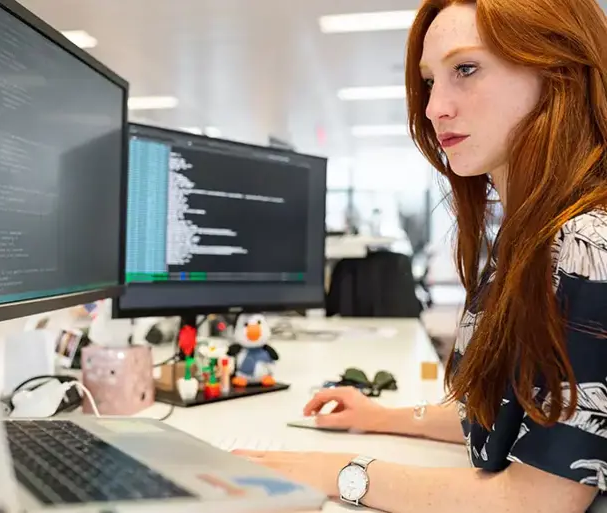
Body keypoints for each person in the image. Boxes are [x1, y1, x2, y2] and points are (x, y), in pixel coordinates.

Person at [234, 0, 607, 511]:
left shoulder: (589, 245)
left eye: (467, 69)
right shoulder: (532, 238)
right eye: (431, 81)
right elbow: (508, 418)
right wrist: (381, 417)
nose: (434, 108)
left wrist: (340, 473)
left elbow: (539, 498)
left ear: (558, 73)